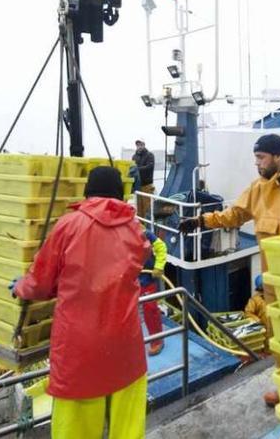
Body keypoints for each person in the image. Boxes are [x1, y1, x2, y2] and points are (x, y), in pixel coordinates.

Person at [178, 133, 280, 407]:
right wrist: (200, 220)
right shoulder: (258, 189)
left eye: (261, 158)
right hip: (274, 283)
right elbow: (234, 215)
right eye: (256, 159)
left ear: (277, 156)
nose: (257, 163)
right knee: (279, 339)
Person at [12, 166, 150, 439]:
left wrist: (20, 286)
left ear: (87, 192)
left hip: (80, 352)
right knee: (128, 429)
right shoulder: (135, 228)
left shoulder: (69, 225)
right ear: (119, 194)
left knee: (76, 429)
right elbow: (140, 258)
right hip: (126, 346)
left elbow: (41, 283)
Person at [141, 227, 167, 356]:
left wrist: (158, 267)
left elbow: (161, 247)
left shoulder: (143, 233)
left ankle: (157, 341)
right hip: (128, 279)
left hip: (146, 278)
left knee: (150, 309)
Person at [132, 140, 156, 217]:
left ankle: (148, 225)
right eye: (138, 145)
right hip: (138, 186)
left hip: (147, 185)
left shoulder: (150, 155)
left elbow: (149, 167)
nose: (139, 146)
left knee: (147, 207)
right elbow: (132, 167)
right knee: (139, 208)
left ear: (144, 145)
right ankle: (141, 225)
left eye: (141, 144)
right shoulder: (134, 156)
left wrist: (137, 169)